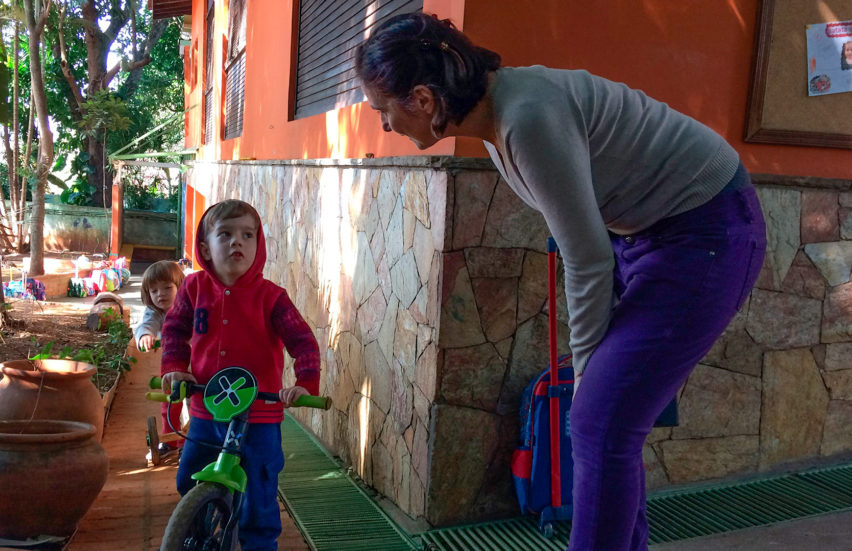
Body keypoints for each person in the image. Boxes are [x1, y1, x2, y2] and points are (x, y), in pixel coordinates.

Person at [356, 13, 766, 551]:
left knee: (598, 420)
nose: (385, 125)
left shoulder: (525, 117)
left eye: (384, 111)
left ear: (424, 100)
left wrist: (590, 366)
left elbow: (588, 258)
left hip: (707, 232)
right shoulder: (497, 119)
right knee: (608, 424)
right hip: (649, 235)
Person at [161, 199, 320, 551]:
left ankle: (258, 545)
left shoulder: (272, 298)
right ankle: (198, 532)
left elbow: (303, 342)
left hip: (260, 417)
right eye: (226, 234)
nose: (238, 242)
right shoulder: (192, 289)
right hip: (207, 408)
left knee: (259, 497)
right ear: (205, 247)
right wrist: (175, 369)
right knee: (189, 479)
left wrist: (304, 384)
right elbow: (173, 330)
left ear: (258, 245)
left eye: (248, 235)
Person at [136, 259, 186, 458]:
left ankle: (192, 441)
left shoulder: (189, 306)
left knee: (198, 404)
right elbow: (146, 324)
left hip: (197, 364)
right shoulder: (155, 311)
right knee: (170, 402)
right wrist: (145, 335)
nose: (160, 294)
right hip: (171, 365)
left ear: (180, 287)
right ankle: (171, 442)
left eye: (167, 287)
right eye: (154, 291)